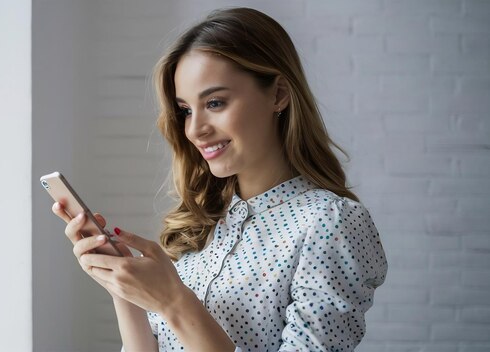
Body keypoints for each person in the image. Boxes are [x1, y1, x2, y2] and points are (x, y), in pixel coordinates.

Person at [52, 7, 387, 352]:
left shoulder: (331, 222)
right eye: (185, 110)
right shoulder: (204, 220)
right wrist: (122, 286)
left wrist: (175, 302)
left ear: (279, 95)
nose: (195, 129)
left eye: (214, 102)